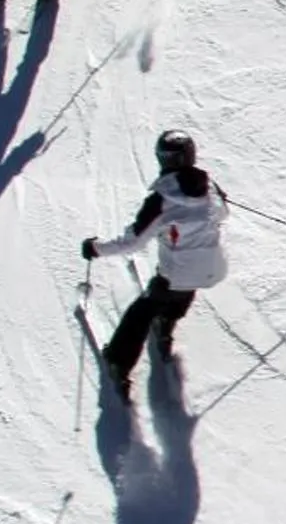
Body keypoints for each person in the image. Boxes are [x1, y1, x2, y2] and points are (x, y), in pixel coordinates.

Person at [81, 130, 229, 402]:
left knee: (143, 310)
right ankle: (166, 323)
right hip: (212, 270)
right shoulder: (209, 187)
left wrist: (96, 248)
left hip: (176, 274)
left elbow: (133, 243)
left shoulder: (161, 201)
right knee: (185, 284)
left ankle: (118, 360)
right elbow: (223, 212)